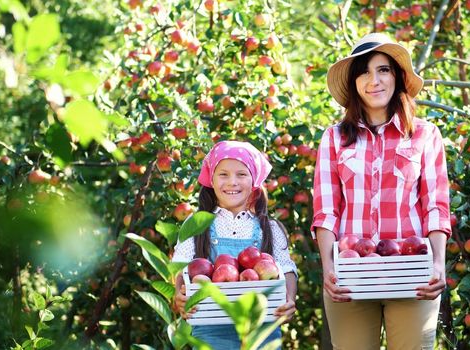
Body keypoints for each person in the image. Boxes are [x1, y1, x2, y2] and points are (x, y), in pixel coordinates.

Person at [312, 32, 451, 350]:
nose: (373, 80)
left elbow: (436, 206)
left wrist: (438, 264)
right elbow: (326, 211)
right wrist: (329, 268)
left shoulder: (424, 135)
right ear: (354, 83)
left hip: (412, 272)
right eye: (363, 71)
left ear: (398, 77)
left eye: (383, 69)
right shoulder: (334, 138)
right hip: (351, 274)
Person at [172, 140, 297, 349]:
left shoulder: (269, 227)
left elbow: (286, 268)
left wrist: (289, 299)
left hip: (261, 330)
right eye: (223, 174)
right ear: (211, 180)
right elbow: (181, 267)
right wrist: (180, 295)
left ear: (254, 180)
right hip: (210, 332)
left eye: (241, 174)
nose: (232, 182)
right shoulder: (197, 224)